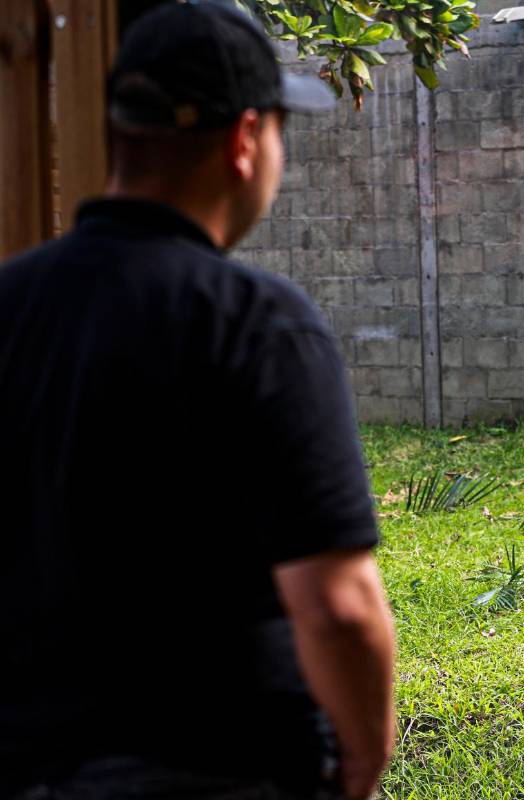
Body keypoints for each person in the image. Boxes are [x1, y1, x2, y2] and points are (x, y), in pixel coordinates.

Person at [0, 3, 396, 799]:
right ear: (244, 141)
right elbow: (338, 608)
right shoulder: (259, 325)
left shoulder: (9, 303)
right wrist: (364, 756)